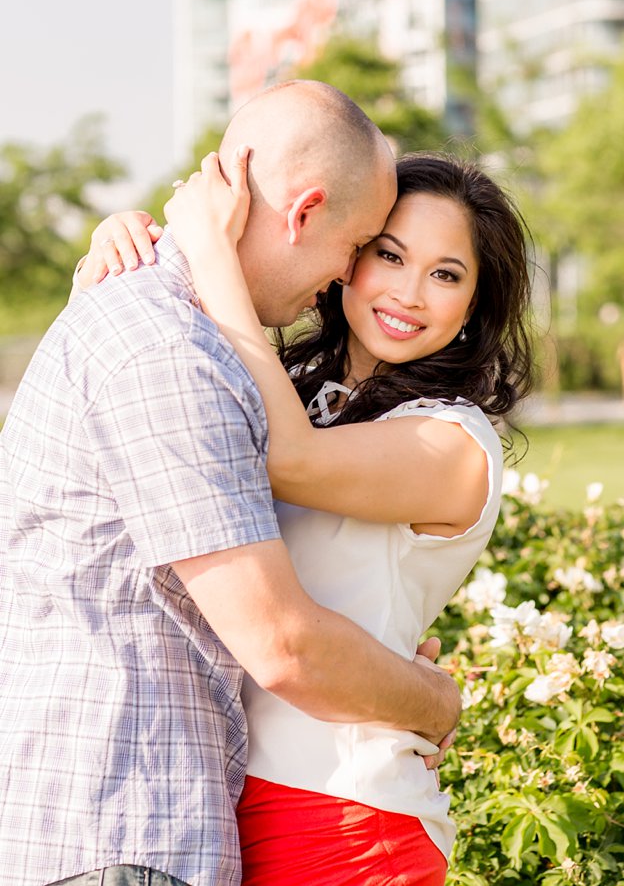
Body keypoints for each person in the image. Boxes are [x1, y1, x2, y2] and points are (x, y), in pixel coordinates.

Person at [0, 81, 462, 886]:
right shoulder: (169, 353)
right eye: (361, 247)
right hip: (128, 824)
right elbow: (281, 642)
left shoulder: (150, 318)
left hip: (119, 818)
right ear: (302, 211)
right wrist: (433, 699)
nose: (342, 277)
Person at [78, 146, 533, 884]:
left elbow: (291, 460)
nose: (410, 292)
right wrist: (131, 247)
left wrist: (212, 249)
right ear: (347, 257)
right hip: (216, 791)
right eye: (389, 255)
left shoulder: (453, 443)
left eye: (445, 274)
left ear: (474, 305)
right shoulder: (295, 388)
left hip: (345, 816)